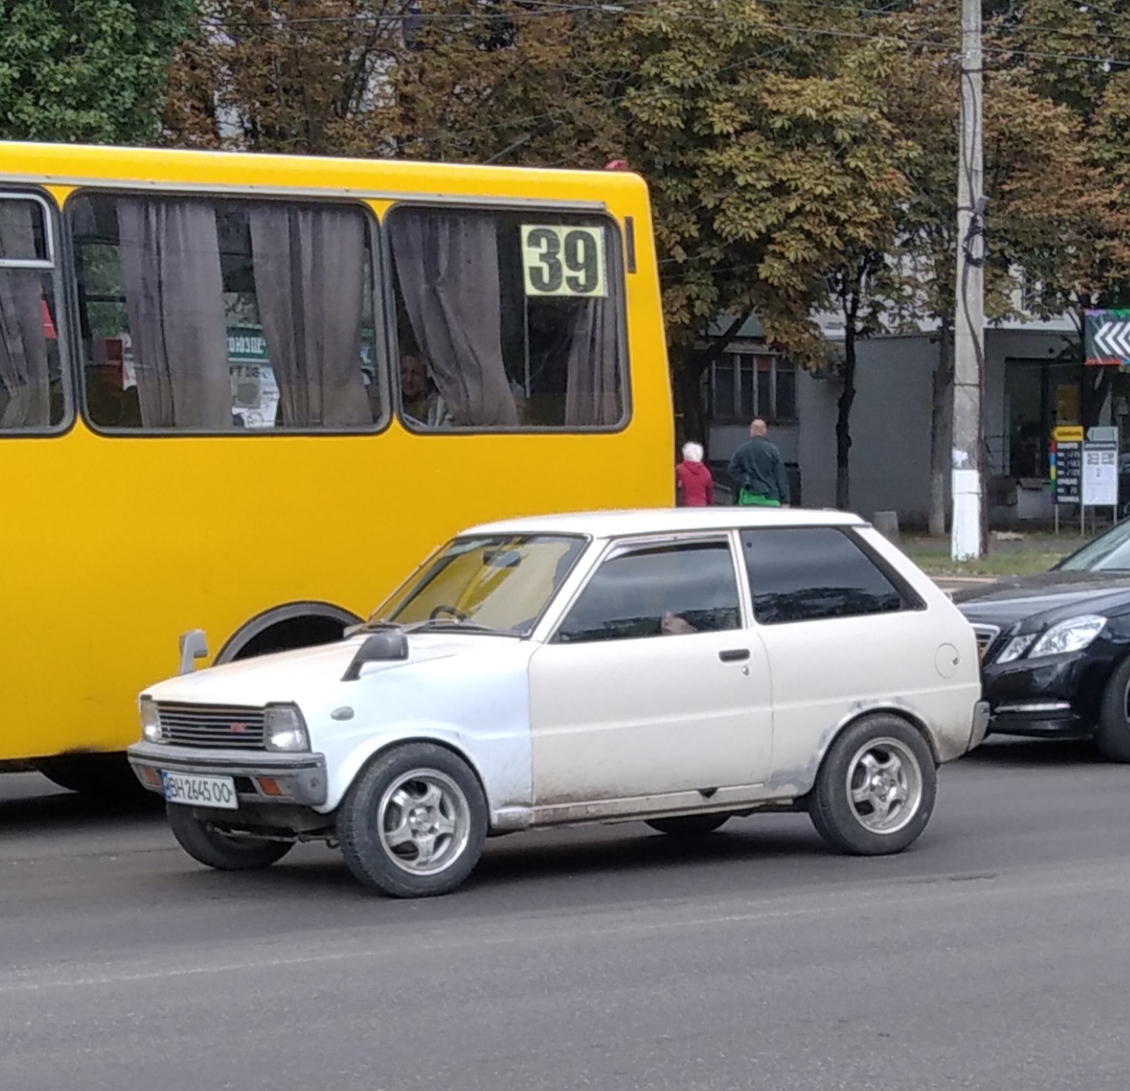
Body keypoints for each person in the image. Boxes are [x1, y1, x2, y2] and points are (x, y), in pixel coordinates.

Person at [728, 418, 791, 507]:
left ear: (751, 431)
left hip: (748, 499)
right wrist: (785, 500)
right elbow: (780, 476)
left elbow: (732, 471)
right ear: (765, 431)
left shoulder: (742, 450)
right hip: (771, 498)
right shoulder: (773, 450)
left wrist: (746, 481)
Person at [400, 352, 452, 428]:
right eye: (403, 372)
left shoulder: (441, 407)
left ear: (426, 374)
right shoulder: (388, 407)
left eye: (415, 373)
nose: (409, 379)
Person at [675, 441, 714, 506]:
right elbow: (710, 494)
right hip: (701, 508)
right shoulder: (706, 472)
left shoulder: (679, 470)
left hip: (682, 508)